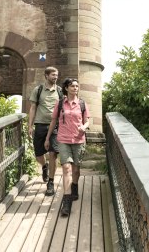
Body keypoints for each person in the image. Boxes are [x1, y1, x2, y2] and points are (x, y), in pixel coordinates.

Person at [44, 77, 89, 216]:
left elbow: (87, 121)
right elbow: (53, 121)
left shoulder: (82, 103)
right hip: (63, 139)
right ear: (66, 88)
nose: (75, 88)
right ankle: (67, 202)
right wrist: (47, 138)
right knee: (66, 168)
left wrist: (84, 127)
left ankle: (74, 187)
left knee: (76, 169)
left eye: (77, 86)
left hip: (78, 140)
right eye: (72, 86)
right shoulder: (60, 104)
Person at [28, 66, 61, 196]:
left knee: (53, 154)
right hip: (40, 125)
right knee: (38, 154)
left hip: (56, 127)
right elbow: (32, 108)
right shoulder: (38, 90)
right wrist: (30, 126)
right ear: (46, 76)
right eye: (53, 74)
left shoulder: (60, 91)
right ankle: (44, 166)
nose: (55, 77)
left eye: (57, 74)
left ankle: (51, 183)